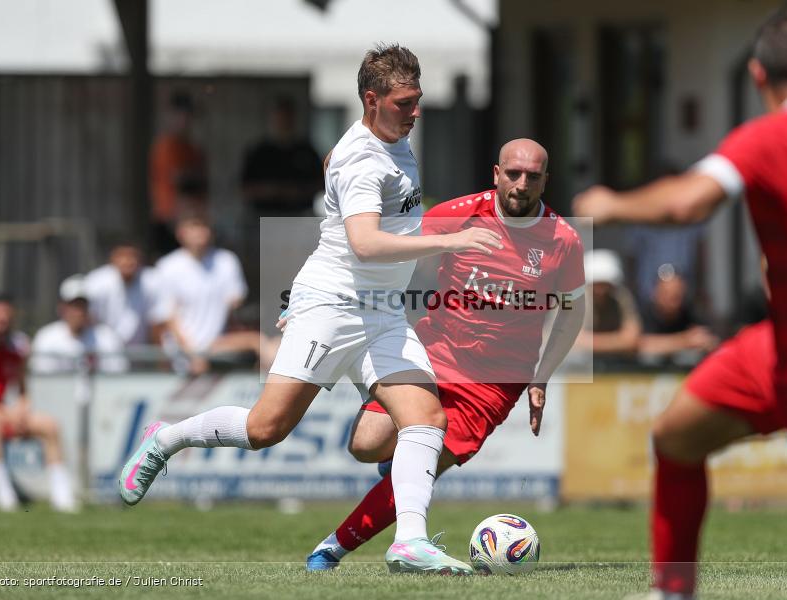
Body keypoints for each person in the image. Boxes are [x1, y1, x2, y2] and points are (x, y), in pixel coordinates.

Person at [118, 43, 502, 575]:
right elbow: (365, 243)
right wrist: (450, 243)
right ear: (372, 100)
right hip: (333, 307)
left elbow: (342, 177)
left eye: (417, 101)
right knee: (265, 429)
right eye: (405, 102)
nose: (415, 112)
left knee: (425, 418)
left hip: (380, 312)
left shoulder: (382, 139)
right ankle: (164, 439)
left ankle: (410, 542)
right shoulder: (364, 160)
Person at [573, 9, 787, 600]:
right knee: (677, 437)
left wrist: (611, 202)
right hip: (783, 345)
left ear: (758, 74)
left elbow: (689, 202)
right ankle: (673, 590)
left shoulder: (767, 137)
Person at [303, 138, 586, 570]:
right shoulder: (456, 216)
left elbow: (570, 313)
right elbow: (382, 250)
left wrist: (542, 376)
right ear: (497, 174)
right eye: (513, 173)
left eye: (533, 176)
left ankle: (330, 550)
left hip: (494, 383)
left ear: (546, 180)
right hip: (433, 352)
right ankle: (401, 466)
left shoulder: (562, 240)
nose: (521, 184)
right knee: (365, 444)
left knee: (423, 467)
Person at [0, 297, 77, 512]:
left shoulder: (20, 345)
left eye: (6, 315)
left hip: (1, 410)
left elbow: (23, 388)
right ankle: (4, 494)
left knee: (49, 425)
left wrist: (21, 408)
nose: (2, 319)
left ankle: (62, 496)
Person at [154, 213, 276, 374]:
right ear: (180, 233)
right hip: (181, 351)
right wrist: (192, 354)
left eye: (203, 227)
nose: (199, 232)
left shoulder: (226, 260)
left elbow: (235, 302)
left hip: (215, 345)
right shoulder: (167, 266)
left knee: (266, 345)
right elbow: (169, 317)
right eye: (193, 227)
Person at [240, 97, 324, 215]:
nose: (284, 121)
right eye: (280, 117)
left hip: (299, 215)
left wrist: (299, 191)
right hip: (265, 216)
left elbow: (322, 183)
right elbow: (246, 189)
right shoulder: (260, 152)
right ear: (273, 118)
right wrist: (272, 191)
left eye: (287, 117)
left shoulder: (306, 150)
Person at [149, 90, 207, 257]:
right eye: (180, 114)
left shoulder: (194, 150)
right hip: (169, 221)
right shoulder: (165, 146)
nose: (185, 120)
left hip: (193, 224)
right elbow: (180, 179)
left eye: (188, 115)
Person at [31, 276, 129, 374]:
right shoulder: (46, 337)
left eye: (82, 305)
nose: (79, 312)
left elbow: (117, 377)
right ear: (62, 308)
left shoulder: (107, 338)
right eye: (74, 306)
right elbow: (44, 380)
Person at [84, 239, 168, 348]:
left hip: (140, 351)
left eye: (132, 256)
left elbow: (157, 322)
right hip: (103, 352)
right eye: (122, 256)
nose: (128, 261)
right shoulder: (96, 282)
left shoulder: (152, 281)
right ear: (112, 259)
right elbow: (89, 320)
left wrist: (159, 358)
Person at [637, 265, 719, 362]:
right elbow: (639, 345)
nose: (672, 302)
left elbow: (711, 340)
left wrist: (706, 343)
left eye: (676, 296)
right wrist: (684, 340)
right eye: (666, 295)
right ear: (655, 293)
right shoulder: (643, 313)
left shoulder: (692, 312)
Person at [571, 249, 641, 358]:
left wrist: (590, 342)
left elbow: (632, 339)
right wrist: (619, 342)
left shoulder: (621, 297)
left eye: (605, 284)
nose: (601, 291)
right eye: (596, 284)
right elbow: (572, 342)